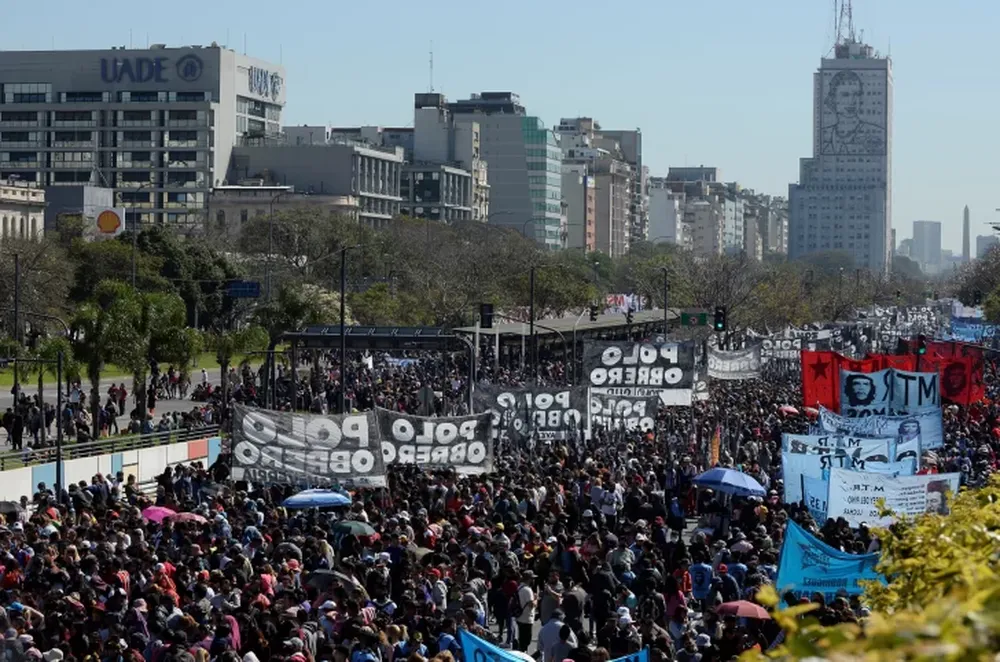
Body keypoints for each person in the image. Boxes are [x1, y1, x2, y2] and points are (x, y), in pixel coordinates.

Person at [820, 69, 887, 155]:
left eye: (857, 94)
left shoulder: (877, 133)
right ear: (833, 98)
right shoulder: (823, 134)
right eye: (845, 95)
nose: (852, 101)